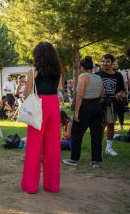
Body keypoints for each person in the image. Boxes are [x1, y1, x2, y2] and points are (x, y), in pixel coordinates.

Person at [21, 42, 62, 194]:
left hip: (39, 105)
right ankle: (52, 185)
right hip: (53, 105)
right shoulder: (58, 71)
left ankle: (30, 185)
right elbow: (58, 88)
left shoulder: (33, 71)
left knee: (34, 145)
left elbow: (26, 92)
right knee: (52, 146)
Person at [63, 56, 104, 168]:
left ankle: (74, 159)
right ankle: (95, 161)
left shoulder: (83, 76)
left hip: (86, 106)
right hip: (98, 106)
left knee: (77, 133)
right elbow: (101, 94)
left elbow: (80, 95)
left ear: (82, 67)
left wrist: (76, 112)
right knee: (96, 134)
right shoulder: (99, 77)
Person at [95, 54, 125, 156]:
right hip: (100, 103)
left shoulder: (118, 75)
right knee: (100, 126)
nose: (104, 63)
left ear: (112, 63)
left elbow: (122, 89)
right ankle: (97, 148)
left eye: (107, 61)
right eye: (103, 61)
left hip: (112, 104)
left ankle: (108, 148)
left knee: (111, 125)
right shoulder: (97, 74)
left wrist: (120, 93)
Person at [113, 60, 127, 131]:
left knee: (120, 112)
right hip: (111, 96)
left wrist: (124, 93)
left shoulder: (122, 73)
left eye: (116, 64)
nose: (115, 65)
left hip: (120, 95)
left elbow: (125, 84)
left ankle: (121, 125)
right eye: (114, 64)